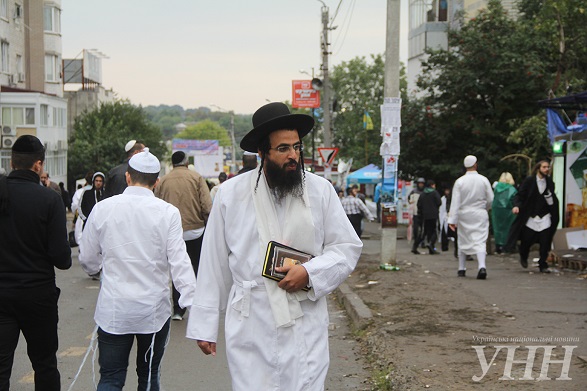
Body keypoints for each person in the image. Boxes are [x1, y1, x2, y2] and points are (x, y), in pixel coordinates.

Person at [187, 102, 362, 390]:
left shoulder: (320, 191)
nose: (293, 155)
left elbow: (346, 247)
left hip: (304, 317)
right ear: (262, 152)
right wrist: (204, 324)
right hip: (251, 318)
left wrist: (310, 272)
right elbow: (213, 262)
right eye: (283, 149)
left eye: (297, 147)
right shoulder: (231, 194)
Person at [79, 148, 197, 391]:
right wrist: (191, 302)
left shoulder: (103, 208)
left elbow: (88, 257)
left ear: (128, 177)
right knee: (149, 376)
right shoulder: (168, 213)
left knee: (110, 378)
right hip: (152, 311)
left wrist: (100, 270)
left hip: (114, 309)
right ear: (156, 181)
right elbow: (179, 262)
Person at [0, 135, 72, 390]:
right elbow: (62, 259)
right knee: (44, 365)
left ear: (12, 162)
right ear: (38, 165)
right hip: (37, 295)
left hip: (2, 295)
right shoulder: (49, 200)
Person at [155, 150, 212, 320]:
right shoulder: (196, 178)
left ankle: (178, 309)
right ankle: (198, 305)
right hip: (195, 231)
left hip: (171, 233)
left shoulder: (163, 181)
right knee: (197, 268)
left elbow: (156, 205)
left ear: (172, 164)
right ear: (187, 162)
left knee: (175, 270)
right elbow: (207, 205)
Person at [506, 160, 559, 273]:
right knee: (527, 241)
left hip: (545, 216)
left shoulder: (549, 182)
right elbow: (520, 195)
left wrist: (550, 199)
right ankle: (523, 255)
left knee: (545, 241)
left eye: (548, 167)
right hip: (531, 216)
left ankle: (542, 264)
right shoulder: (529, 181)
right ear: (538, 168)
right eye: (544, 167)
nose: (546, 169)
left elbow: (553, 199)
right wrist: (517, 206)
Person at [448, 155, 494, 279]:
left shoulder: (460, 181)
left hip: (464, 214)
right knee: (480, 239)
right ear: (475, 165)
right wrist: (485, 208)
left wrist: (452, 219)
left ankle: (461, 268)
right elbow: (490, 198)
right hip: (480, 213)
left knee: (463, 239)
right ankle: (482, 266)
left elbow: (455, 202)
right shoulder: (483, 180)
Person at [491, 172, 517, 254]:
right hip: (508, 210)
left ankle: (498, 247)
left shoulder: (496, 188)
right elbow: (514, 200)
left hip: (496, 211)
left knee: (497, 228)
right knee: (508, 229)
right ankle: (507, 247)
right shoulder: (512, 189)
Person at [417, 179, 442, 254]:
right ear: (432, 185)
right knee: (435, 231)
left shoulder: (423, 193)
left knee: (426, 231)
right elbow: (439, 202)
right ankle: (431, 244)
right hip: (434, 215)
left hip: (425, 215)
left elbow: (419, 204)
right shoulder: (434, 193)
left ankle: (418, 246)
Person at [71, 172, 93, 246]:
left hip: (82, 218)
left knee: (81, 239)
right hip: (94, 219)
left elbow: (74, 206)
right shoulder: (98, 192)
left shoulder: (79, 192)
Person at [408, 177, 426, 254]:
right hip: (415, 212)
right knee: (415, 228)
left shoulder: (425, 192)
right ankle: (416, 240)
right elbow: (409, 199)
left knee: (423, 229)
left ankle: (422, 242)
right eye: (419, 183)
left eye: (422, 183)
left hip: (423, 213)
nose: (421, 185)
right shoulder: (413, 192)